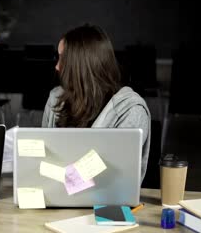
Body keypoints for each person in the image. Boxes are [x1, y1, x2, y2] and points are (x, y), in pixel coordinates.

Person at [42, 24, 151, 183]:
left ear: (81, 65)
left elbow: (110, 175)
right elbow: (44, 160)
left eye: (63, 58)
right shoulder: (55, 99)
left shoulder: (131, 111)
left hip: (103, 201)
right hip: (56, 194)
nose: (57, 66)